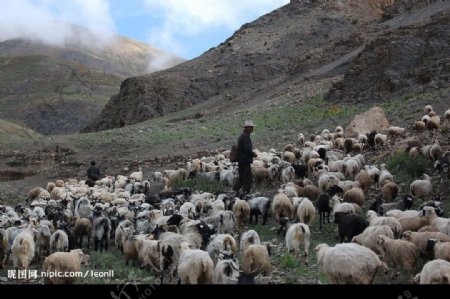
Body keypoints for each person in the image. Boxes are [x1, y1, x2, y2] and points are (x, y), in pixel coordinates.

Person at [233, 120, 257, 196]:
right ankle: (246, 193)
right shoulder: (245, 136)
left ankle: (235, 190)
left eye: (252, 127)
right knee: (247, 178)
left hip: (241, 160)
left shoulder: (243, 135)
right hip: (245, 160)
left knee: (242, 177)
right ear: (247, 128)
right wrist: (253, 154)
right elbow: (247, 149)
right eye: (251, 127)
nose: (252, 129)